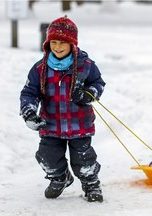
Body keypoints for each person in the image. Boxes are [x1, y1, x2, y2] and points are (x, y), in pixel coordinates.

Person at [20, 16, 105, 202]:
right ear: (48, 43)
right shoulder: (40, 69)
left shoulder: (85, 66)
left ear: (72, 44)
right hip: (50, 125)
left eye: (63, 43)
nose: (57, 47)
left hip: (79, 124)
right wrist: (29, 112)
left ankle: (91, 184)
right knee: (47, 157)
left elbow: (98, 84)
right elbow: (29, 93)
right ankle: (60, 177)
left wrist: (88, 93)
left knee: (83, 160)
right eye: (54, 42)